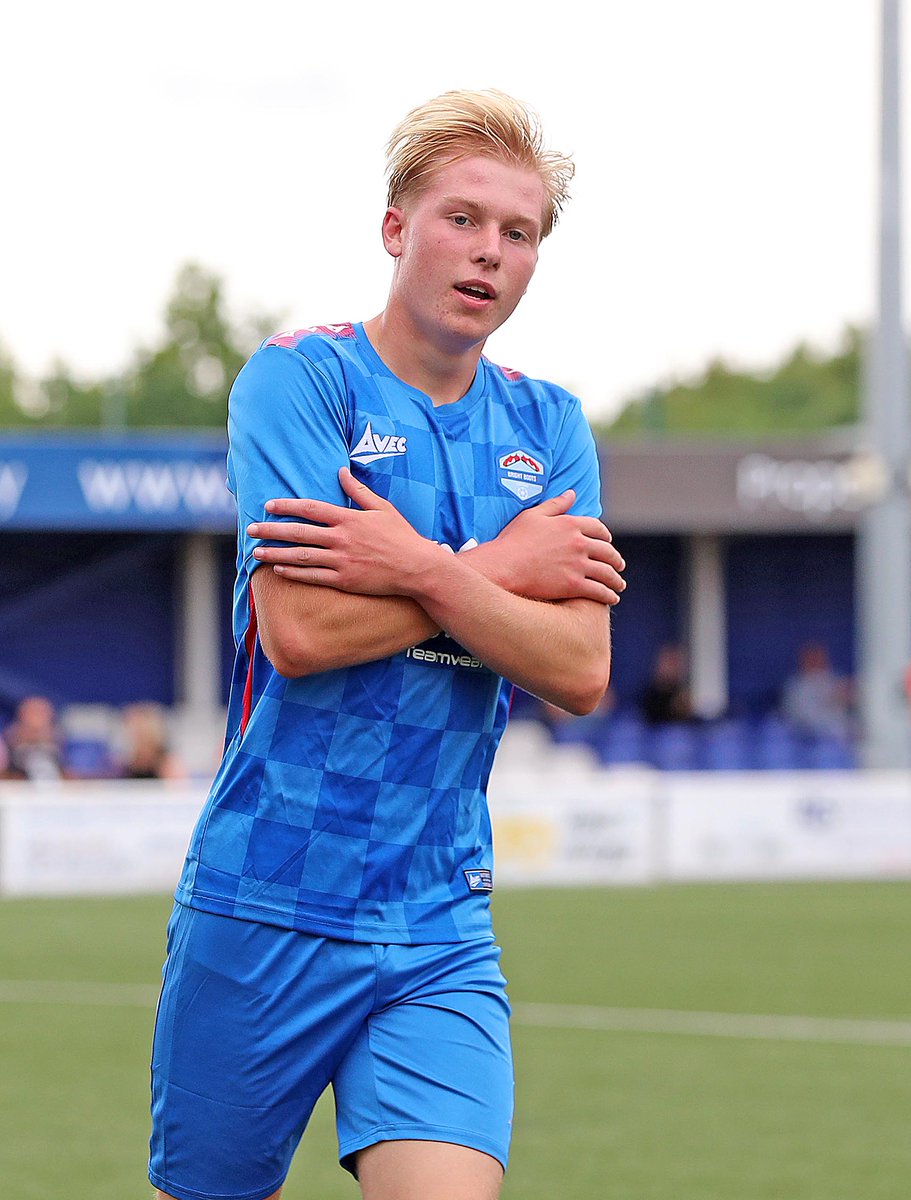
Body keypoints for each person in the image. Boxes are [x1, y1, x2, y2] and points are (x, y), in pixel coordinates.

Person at [149, 89, 627, 1200]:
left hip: (437, 921)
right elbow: (303, 630)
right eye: (462, 218)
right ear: (395, 228)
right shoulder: (301, 380)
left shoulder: (547, 426)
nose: (489, 253)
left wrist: (412, 564)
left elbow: (578, 670)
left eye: (518, 234)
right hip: (263, 900)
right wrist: (498, 570)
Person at [780, 641, 852, 740]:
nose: (816, 661)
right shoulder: (796, 686)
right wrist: (830, 700)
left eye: (818, 657)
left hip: (842, 730)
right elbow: (801, 717)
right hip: (810, 735)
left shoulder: (833, 678)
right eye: (811, 658)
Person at [0, 695, 64, 781]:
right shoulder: (7, 743)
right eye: (32, 714)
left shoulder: (61, 742)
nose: (35, 723)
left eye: (40, 714)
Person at [638, 642, 693, 724]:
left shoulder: (682, 694)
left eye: (675, 662)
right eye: (669, 662)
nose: (672, 667)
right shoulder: (647, 697)